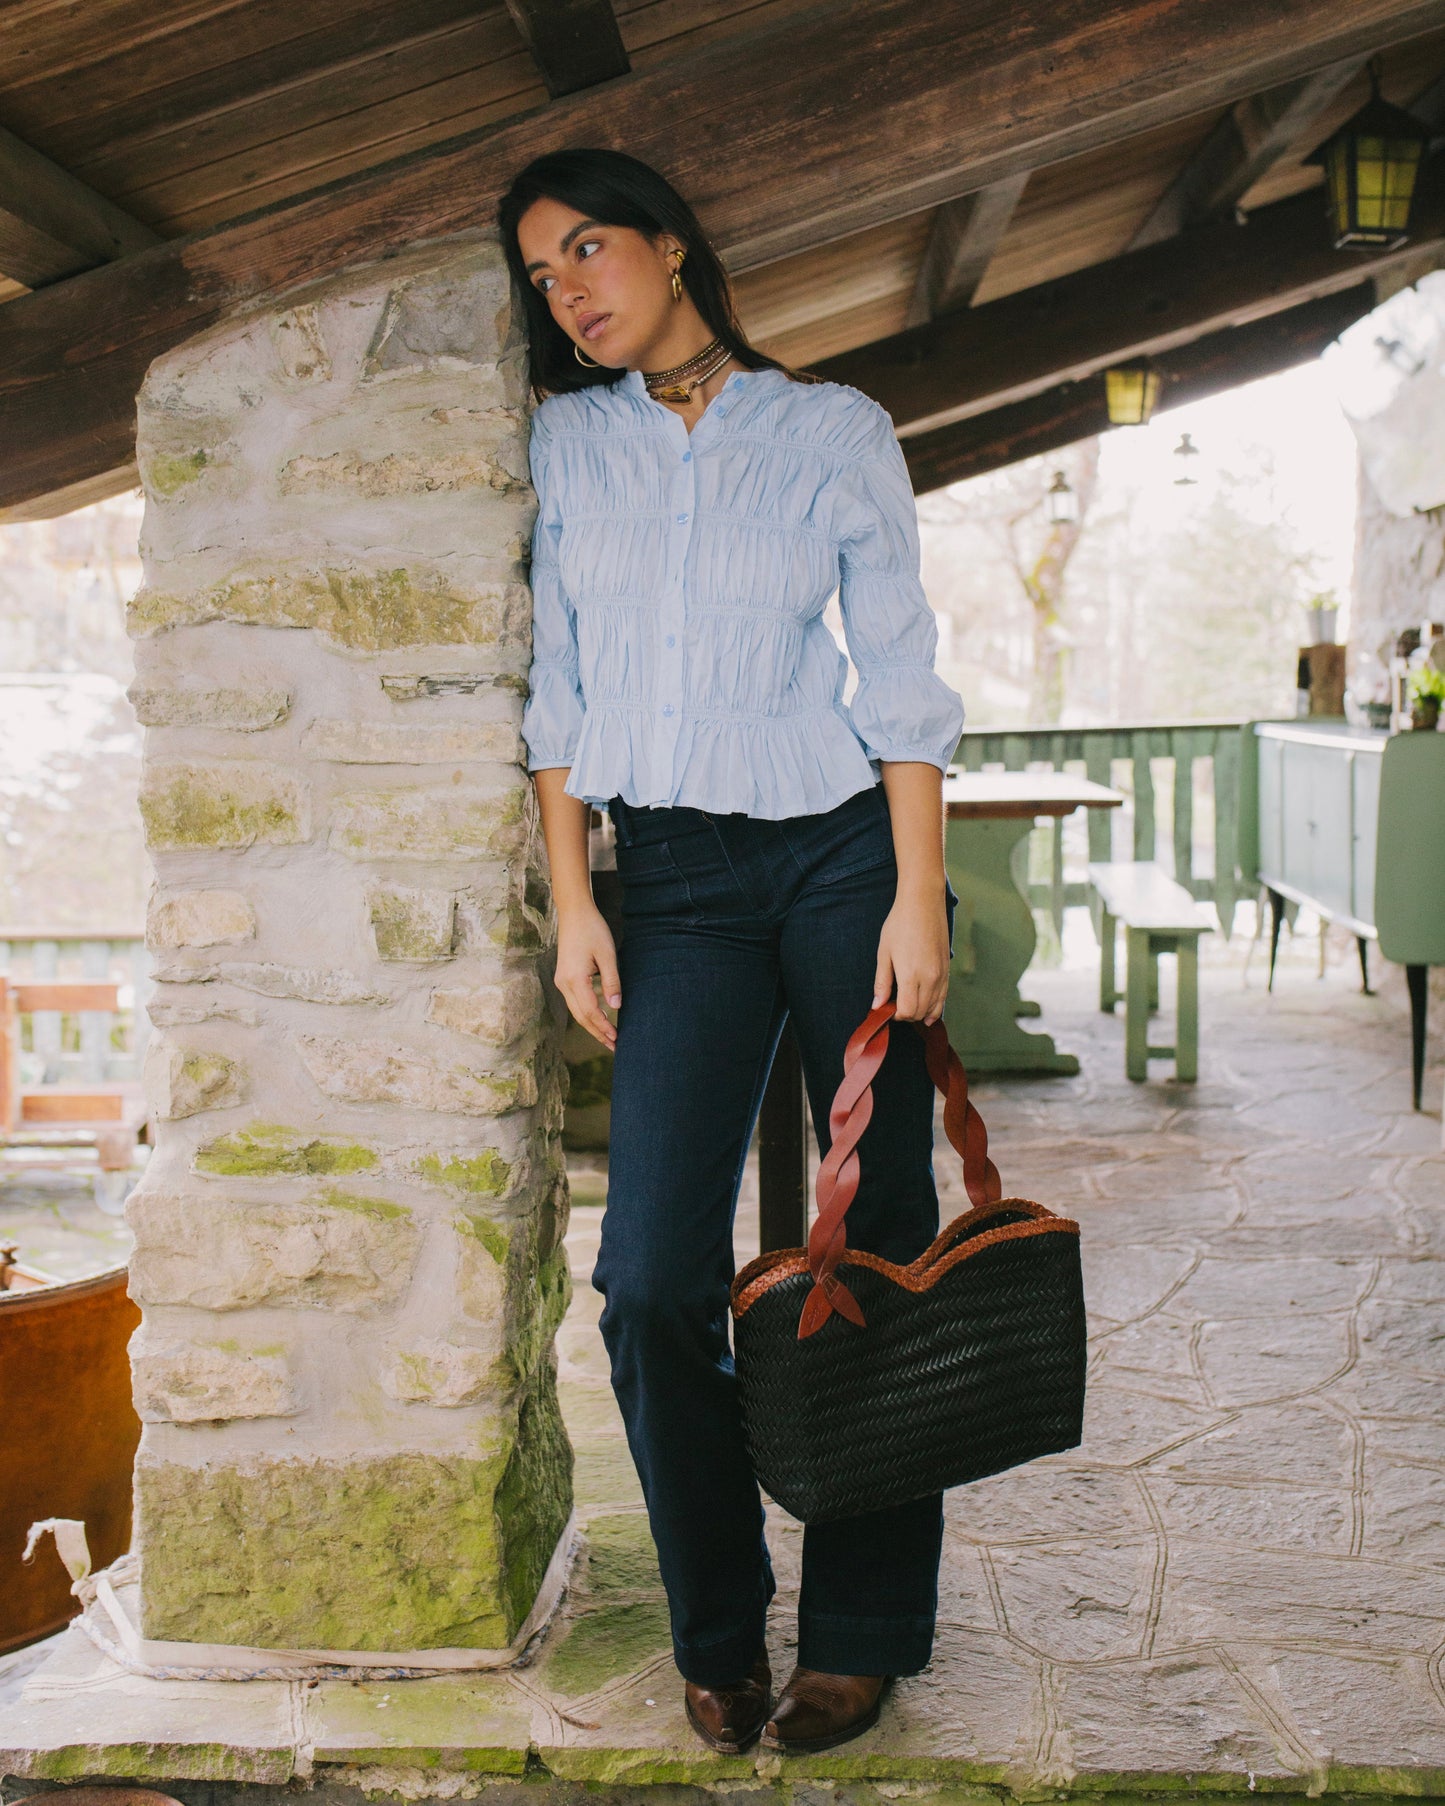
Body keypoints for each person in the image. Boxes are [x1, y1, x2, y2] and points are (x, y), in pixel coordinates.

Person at [498, 148, 965, 1756]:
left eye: (588, 250)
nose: (567, 291)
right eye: (543, 275)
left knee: (877, 1241)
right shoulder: (564, 444)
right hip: (677, 884)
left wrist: (917, 894)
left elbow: (897, 671)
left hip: (841, 857)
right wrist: (577, 902)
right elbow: (554, 691)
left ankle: (859, 1627)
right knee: (644, 1281)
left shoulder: (830, 429)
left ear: (674, 247)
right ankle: (717, 1621)